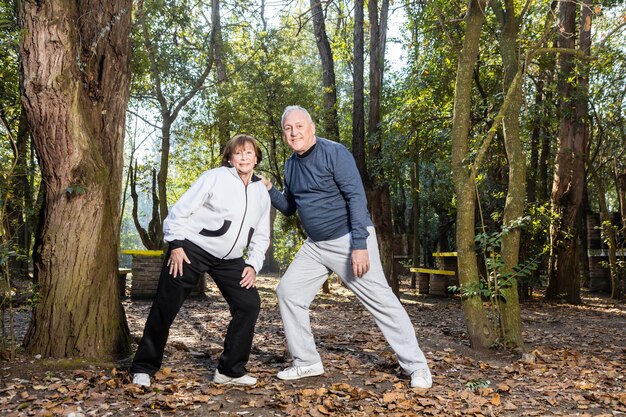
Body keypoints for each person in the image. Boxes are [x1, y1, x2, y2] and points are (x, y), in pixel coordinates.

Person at [262, 106, 433, 389]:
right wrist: (269, 189)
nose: (294, 132)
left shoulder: (335, 153)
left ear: (312, 127)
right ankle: (306, 362)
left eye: (299, 126)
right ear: (284, 134)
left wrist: (359, 244)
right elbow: (291, 207)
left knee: (382, 302)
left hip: (348, 239)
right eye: (288, 129)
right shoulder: (291, 165)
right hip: (315, 246)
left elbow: (356, 197)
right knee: (288, 292)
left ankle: (417, 366)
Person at [131, 134, 270, 388]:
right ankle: (143, 367)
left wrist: (253, 265)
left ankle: (230, 370)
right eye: (238, 153)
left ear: (256, 158)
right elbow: (181, 210)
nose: (244, 157)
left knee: (249, 304)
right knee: (166, 305)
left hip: (230, 259)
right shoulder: (214, 177)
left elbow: (262, 234)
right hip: (192, 250)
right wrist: (175, 244)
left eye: (249, 152)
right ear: (230, 157)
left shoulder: (262, 191)